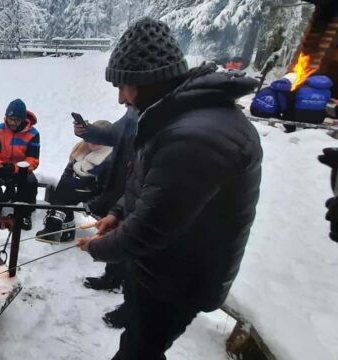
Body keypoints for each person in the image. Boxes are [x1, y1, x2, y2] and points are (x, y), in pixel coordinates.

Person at [76, 18, 263, 360]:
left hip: (178, 280)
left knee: (139, 352)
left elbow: (151, 228)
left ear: (148, 80)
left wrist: (98, 247)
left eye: (123, 86)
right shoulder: (173, 118)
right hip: (159, 267)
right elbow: (149, 186)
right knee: (137, 342)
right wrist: (118, 212)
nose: (120, 99)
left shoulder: (197, 137)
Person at [75, 108, 140, 329]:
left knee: (135, 249)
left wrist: (96, 248)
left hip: (141, 197)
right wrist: (88, 131)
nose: (121, 100)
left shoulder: (161, 118)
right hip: (122, 188)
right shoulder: (135, 112)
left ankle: (132, 308)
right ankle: (112, 277)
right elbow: (113, 134)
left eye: (123, 91)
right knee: (114, 232)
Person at [36, 120, 113, 243]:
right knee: (65, 186)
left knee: (67, 187)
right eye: (91, 137)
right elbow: (67, 173)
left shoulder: (110, 158)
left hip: (96, 197)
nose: (93, 141)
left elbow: (108, 190)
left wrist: (89, 205)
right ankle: (60, 227)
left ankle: (56, 227)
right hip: (76, 190)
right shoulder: (81, 149)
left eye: (99, 138)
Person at [0, 98, 40, 230]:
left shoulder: (33, 133)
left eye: (17, 120)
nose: (13, 122)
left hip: (22, 169)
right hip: (2, 167)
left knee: (31, 182)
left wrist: (15, 168)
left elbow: (33, 159)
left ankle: (25, 213)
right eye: (10, 119)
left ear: (23, 119)